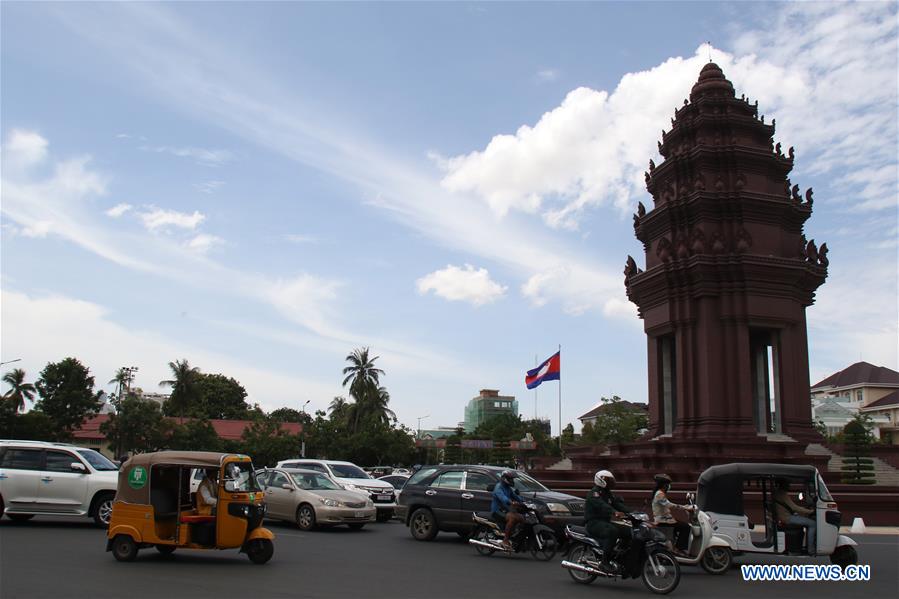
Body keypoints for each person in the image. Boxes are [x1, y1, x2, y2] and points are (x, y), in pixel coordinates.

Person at [585, 469, 632, 570]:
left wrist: (632, 513)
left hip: (605, 522)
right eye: (608, 480)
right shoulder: (594, 493)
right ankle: (604, 562)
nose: (611, 482)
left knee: (629, 531)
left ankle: (619, 554)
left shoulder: (608, 493)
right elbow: (602, 505)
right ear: (600, 480)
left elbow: (617, 504)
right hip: (594, 523)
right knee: (612, 531)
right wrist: (614, 512)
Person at [651, 473, 693, 555]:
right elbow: (670, 505)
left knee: (681, 526)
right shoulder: (659, 494)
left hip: (666, 519)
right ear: (663, 485)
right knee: (686, 527)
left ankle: (675, 546)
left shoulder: (659, 493)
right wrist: (685, 507)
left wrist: (684, 506)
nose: (669, 486)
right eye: (668, 484)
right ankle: (678, 549)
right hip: (663, 521)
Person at [774, 479, 816, 554]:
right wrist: (810, 511)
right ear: (783, 485)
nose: (789, 486)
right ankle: (811, 549)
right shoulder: (782, 494)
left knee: (807, 522)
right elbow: (794, 507)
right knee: (812, 523)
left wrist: (804, 509)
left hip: (785, 516)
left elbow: (792, 507)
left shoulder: (778, 493)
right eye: (788, 484)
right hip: (787, 518)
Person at [491, 470, 525, 550]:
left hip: (506, 510)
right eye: (510, 479)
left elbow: (516, 497)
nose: (512, 481)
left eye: (512, 479)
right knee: (512, 518)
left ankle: (516, 537)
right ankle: (505, 540)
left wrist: (524, 501)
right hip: (497, 511)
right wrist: (511, 502)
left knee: (522, 518)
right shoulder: (498, 487)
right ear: (505, 478)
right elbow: (503, 498)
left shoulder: (508, 488)